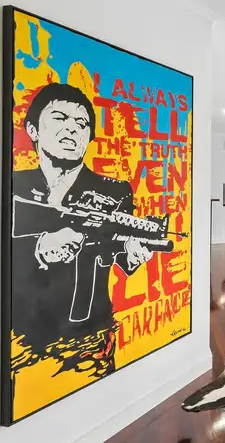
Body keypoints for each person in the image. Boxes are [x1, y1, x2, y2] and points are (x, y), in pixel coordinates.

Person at [11, 83, 154, 380]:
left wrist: (134, 253)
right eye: (60, 118)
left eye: (82, 123)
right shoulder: (12, 185)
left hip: (89, 337)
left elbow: (119, 253)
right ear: (33, 129)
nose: (72, 129)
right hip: (17, 334)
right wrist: (39, 247)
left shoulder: (114, 190)